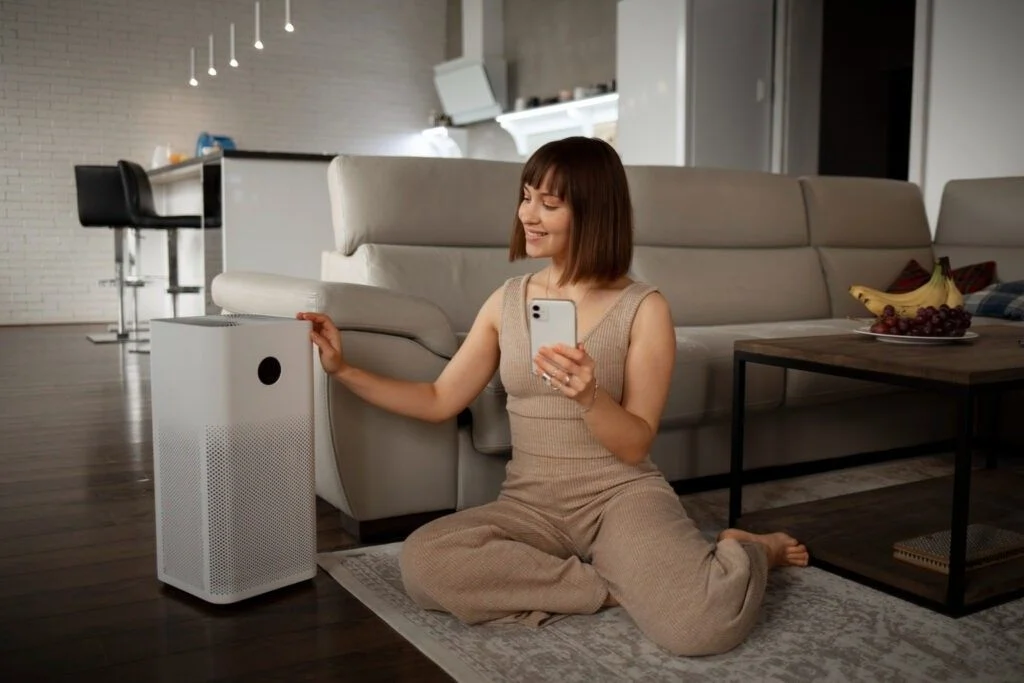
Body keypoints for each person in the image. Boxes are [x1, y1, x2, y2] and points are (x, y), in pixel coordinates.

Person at [297, 136, 808, 657]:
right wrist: (342, 369)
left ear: (593, 211)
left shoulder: (644, 308)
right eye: (526, 197)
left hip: (619, 497)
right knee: (425, 563)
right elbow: (438, 399)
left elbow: (635, 445)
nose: (528, 215)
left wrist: (591, 396)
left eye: (550, 203)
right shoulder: (506, 301)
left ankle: (747, 550)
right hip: (531, 504)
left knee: (702, 627)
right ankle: (613, 586)